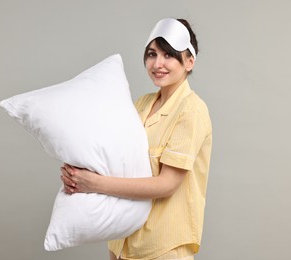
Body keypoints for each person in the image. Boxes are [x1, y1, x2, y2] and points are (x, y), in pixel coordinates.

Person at [61, 18, 212, 260]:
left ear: (189, 62)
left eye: (169, 55)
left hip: (162, 246)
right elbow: (117, 160)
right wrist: (77, 174)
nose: (157, 64)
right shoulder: (142, 103)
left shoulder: (191, 110)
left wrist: (94, 184)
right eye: (152, 54)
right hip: (123, 242)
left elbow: (167, 184)